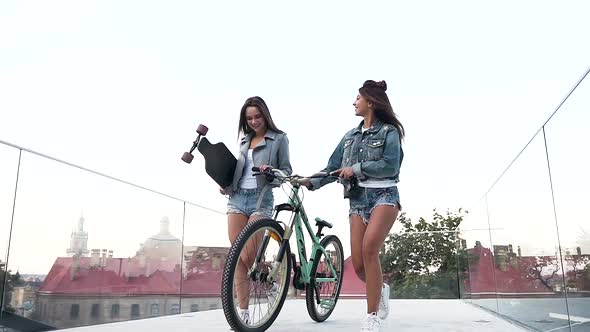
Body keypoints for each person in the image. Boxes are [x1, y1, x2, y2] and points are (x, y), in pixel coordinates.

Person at [306, 80, 404, 332]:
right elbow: (331, 168)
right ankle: (380, 289)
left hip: (384, 195)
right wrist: (310, 181)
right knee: (359, 265)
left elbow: (391, 165)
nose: (354, 102)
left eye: (358, 99)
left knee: (370, 249)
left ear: (370, 102)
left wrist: (356, 168)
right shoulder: (349, 136)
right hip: (357, 200)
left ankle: (371, 316)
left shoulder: (389, 132)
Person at [220, 96, 292, 325]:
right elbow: (238, 170)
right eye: (249, 118)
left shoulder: (279, 139)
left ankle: (269, 282)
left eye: (257, 116)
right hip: (237, 198)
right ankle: (244, 312)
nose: (253, 121)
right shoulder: (244, 140)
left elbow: (287, 172)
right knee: (238, 256)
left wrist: (272, 171)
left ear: (265, 115)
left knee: (248, 254)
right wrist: (225, 184)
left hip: (261, 199)